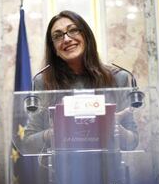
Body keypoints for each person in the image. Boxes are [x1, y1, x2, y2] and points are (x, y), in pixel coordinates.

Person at [24, 10, 139, 152]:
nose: (66, 39)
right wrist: (54, 133)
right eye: (58, 36)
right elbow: (28, 143)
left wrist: (115, 128)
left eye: (73, 30)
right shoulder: (43, 81)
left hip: (108, 170)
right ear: (54, 49)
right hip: (61, 170)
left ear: (86, 36)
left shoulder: (118, 78)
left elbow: (133, 141)